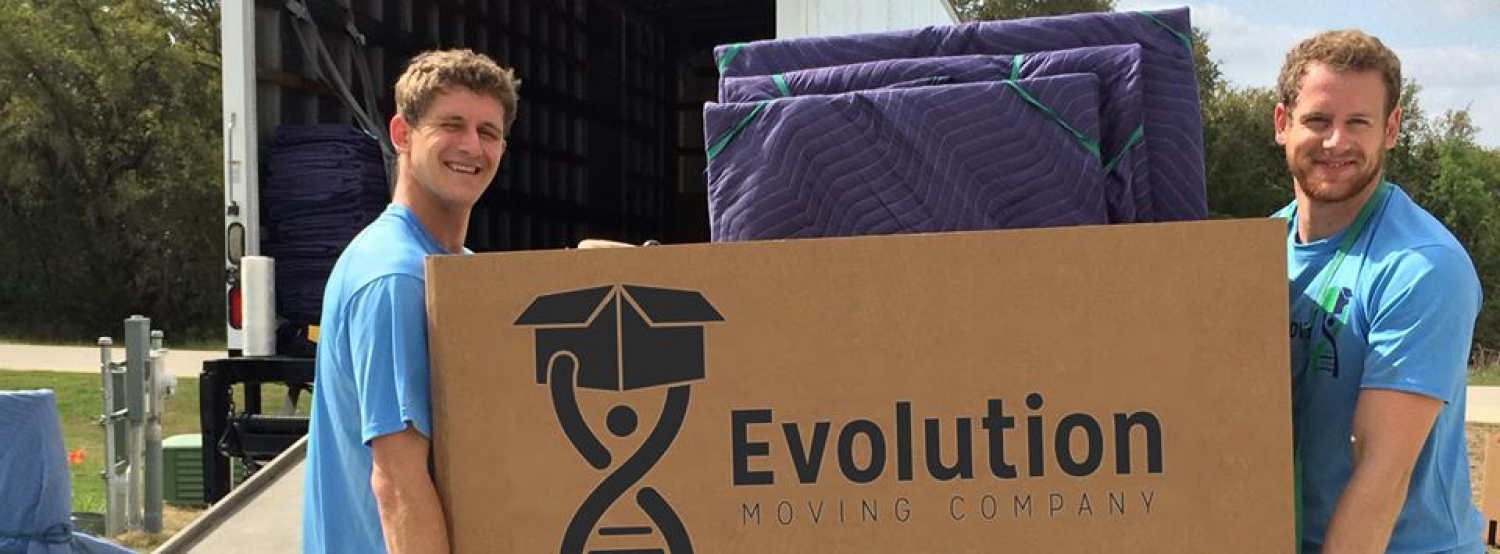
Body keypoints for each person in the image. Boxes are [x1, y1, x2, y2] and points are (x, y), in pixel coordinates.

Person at [1273, 30, 1483, 552]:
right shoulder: (1256, 252)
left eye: (1358, 123)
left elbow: (1381, 473)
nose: (1336, 142)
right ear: (1282, 124)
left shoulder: (1422, 266)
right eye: (1318, 120)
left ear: (1390, 129)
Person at [303, 49, 519, 554]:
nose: (472, 146)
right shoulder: (396, 278)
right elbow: (397, 481)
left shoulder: (456, 272)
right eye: (452, 125)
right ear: (402, 134)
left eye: (487, 132)